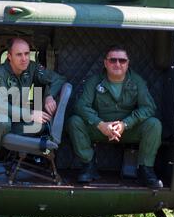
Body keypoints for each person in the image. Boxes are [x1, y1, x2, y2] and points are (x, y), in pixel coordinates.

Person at [66, 46, 163, 189]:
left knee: (154, 124)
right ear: (105, 63)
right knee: (74, 121)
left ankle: (145, 170)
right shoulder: (94, 81)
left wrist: (125, 124)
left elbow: (149, 107)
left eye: (122, 60)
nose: (117, 64)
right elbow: (81, 106)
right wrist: (100, 124)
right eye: (113, 60)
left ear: (128, 63)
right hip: (100, 129)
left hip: (128, 130)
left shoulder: (137, 81)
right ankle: (88, 166)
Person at [0, 37, 66, 180]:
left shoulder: (32, 68)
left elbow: (58, 79)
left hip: (18, 118)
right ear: (9, 56)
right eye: (19, 54)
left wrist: (49, 96)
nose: (24, 59)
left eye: (27, 54)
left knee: (39, 125)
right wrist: (29, 114)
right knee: (3, 124)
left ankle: (1, 148)